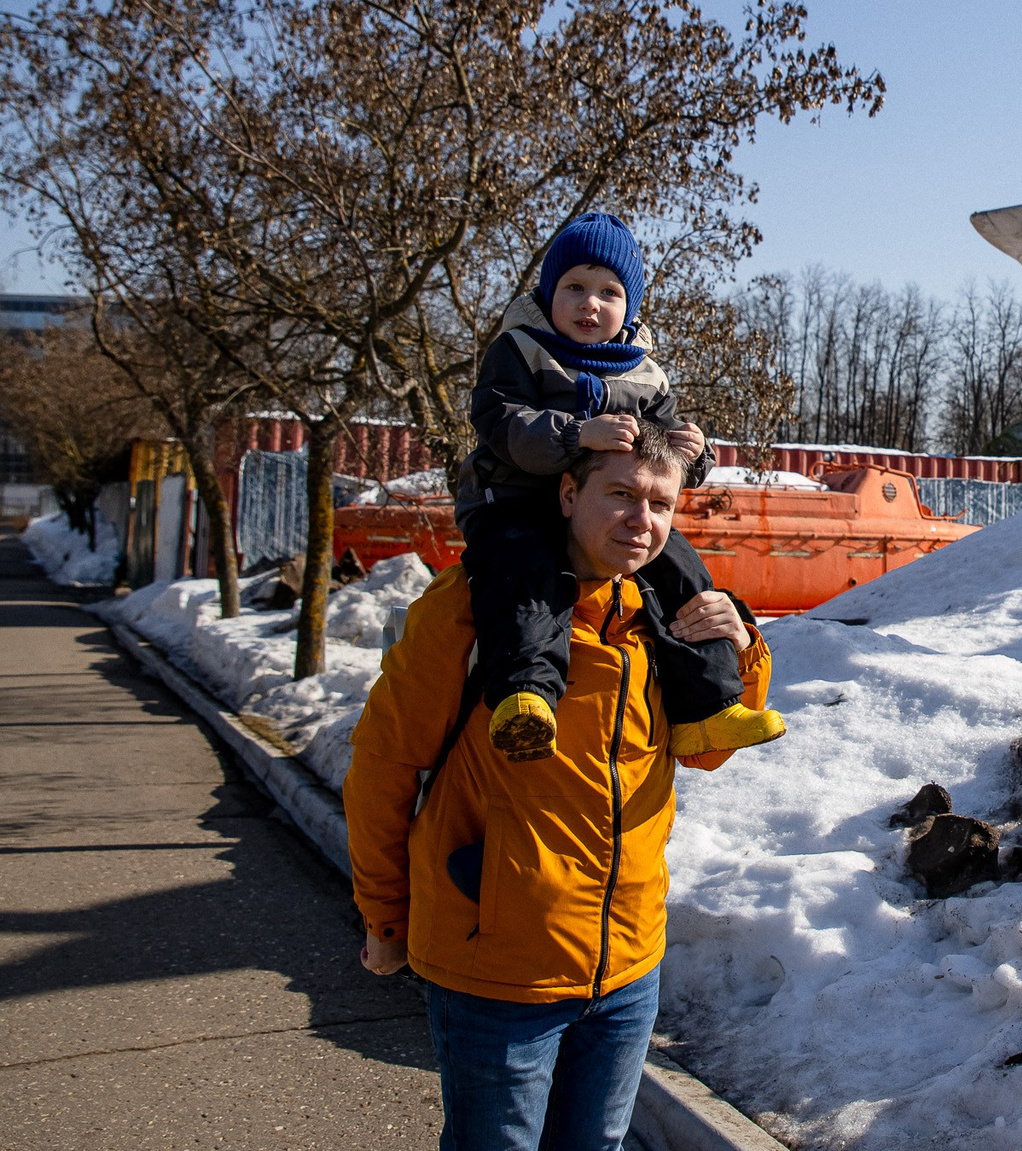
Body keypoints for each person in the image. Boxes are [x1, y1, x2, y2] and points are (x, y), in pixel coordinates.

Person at [343, 423, 784, 1151]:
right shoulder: (471, 607)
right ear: (569, 493)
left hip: (628, 966)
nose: (641, 520)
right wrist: (386, 919)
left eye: (660, 504)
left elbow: (704, 754)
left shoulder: (659, 611)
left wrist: (740, 650)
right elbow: (382, 768)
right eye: (621, 494)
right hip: (498, 966)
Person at [454, 211, 785, 763]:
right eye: (574, 287)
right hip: (515, 502)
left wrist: (694, 453)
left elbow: (661, 458)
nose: (590, 304)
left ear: (629, 307)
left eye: (609, 292)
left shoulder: (645, 372)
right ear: (548, 293)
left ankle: (708, 707)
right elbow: (502, 422)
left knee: (683, 569)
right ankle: (525, 695)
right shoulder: (520, 350)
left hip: (608, 512)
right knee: (527, 574)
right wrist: (575, 434)